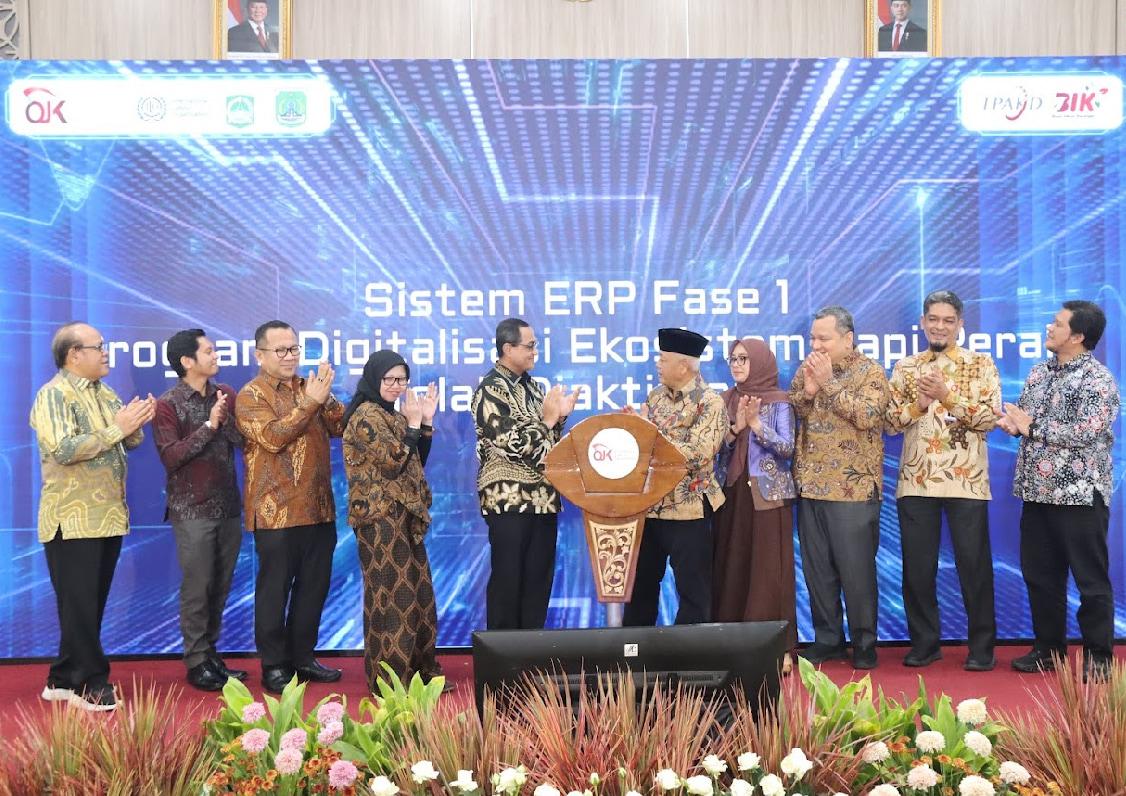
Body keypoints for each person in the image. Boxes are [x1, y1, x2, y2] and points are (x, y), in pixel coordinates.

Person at [30, 322, 155, 711]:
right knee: (81, 605)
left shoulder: (105, 392)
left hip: (108, 515)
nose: (106, 353)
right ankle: (90, 683)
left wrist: (133, 422)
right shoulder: (53, 395)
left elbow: (128, 440)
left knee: (87, 605)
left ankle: (62, 678)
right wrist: (117, 429)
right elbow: (64, 449)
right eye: (98, 347)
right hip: (72, 519)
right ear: (73, 354)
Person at [997, 301, 1119, 682]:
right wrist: (1013, 425)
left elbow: (1086, 432)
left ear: (1078, 336)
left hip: (1079, 494)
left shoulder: (1098, 380)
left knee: (1089, 579)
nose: (1049, 328)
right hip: (1037, 492)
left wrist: (1032, 427)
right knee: (1040, 577)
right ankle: (1048, 651)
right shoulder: (1039, 372)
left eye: (1058, 324)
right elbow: (1025, 420)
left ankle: (1099, 656)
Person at [886, 291, 999, 672]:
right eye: (933, 319)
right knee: (918, 570)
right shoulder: (906, 368)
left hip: (967, 482)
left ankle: (982, 647)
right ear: (922, 322)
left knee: (974, 567)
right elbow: (890, 423)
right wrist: (918, 405)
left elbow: (989, 419)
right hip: (916, 481)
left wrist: (946, 397)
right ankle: (925, 643)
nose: (940, 326)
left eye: (948, 320)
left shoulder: (980, 364)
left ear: (960, 325)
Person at [235, 320, 345, 694]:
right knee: (274, 591)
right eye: (281, 350)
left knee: (313, 589)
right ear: (260, 355)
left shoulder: (307, 386)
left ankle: (302, 657)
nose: (290, 356)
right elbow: (272, 437)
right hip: (276, 512)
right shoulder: (251, 394)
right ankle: (273, 665)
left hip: (318, 507)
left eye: (294, 348)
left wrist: (325, 399)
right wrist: (310, 402)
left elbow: (340, 427)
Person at [789, 306, 890, 670]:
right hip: (811, 486)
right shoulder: (807, 369)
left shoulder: (871, 372)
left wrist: (828, 384)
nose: (815, 345)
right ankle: (828, 640)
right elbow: (793, 413)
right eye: (812, 338)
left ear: (848, 339)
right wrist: (808, 392)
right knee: (818, 572)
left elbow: (867, 416)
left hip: (853, 491)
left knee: (856, 573)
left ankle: (864, 643)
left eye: (823, 339)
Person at [152, 329, 248, 692]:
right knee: (198, 586)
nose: (215, 355)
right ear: (187, 361)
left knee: (220, 586)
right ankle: (195, 661)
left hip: (228, 506)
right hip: (192, 510)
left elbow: (244, 442)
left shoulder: (225, 394)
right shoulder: (168, 405)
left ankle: (211, 655)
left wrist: (226, 418)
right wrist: (210, 425)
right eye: (208, 351)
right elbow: (171, 456)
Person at [472, 317, 582, 630]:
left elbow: (547, 445)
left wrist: (559, 418)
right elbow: (512, 444)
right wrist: (547, 421)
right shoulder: (490, 390)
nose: (535, 352)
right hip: (508, 500)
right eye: (530, 346)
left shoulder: (534, 388)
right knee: (509, 583)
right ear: (508, 349)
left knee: (538, 583)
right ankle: (502, 658)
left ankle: (530, 655)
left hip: (543, 499)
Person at [342, 350, 443, 692]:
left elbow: (414, 461)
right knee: (392, 600)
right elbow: (391, 463)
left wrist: (424, 423)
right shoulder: (366, 416)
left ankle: (420, 673)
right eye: (390, 379)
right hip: (379, 518)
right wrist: (413, 426)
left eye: (402, 379)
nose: (397, 385)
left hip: (405, 514)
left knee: (418, 595)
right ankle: (390, 682)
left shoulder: (393, 415)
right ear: (375, 378)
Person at [622, 327, 728, 626]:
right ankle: (635, 649)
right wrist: (635, 430)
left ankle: (688, 653)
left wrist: (650, 434)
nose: (657, 364)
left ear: (683, 366)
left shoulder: (710, 403)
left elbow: (698, 454)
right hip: (650, 506)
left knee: (693, 590)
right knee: (640, 586)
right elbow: (645, 448)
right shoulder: (655, 398)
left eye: (663, 358)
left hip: (688, 508)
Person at [713, 337, 797, 672]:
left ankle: (779, 648)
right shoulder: (725, 400)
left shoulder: (779, 401)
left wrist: (758, 426)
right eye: (733, 359)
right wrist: (736, 429)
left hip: (768, 495)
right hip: (732, 494)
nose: (736, 364)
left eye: (743, 359)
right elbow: (717, 449)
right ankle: (730, 643)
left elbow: (787, 448)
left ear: (760, 361)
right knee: (732, 566)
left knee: (769, 572)